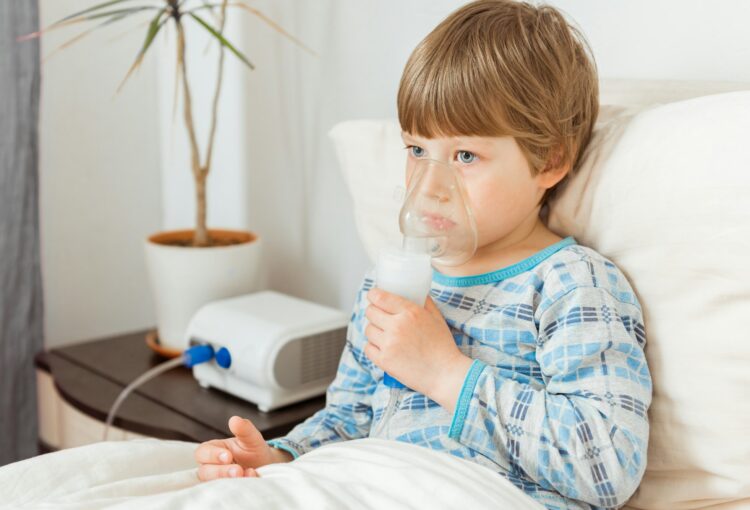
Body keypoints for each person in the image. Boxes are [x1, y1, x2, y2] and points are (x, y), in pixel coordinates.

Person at [194, 1, 652, 508]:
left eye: (465, 156)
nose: (430, 187)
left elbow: (607, 466)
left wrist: (445, 372)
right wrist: (282, 457)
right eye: (416, 150)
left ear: (550, 159)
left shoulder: (572, 284)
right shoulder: (388, 282)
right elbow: (350, 418)